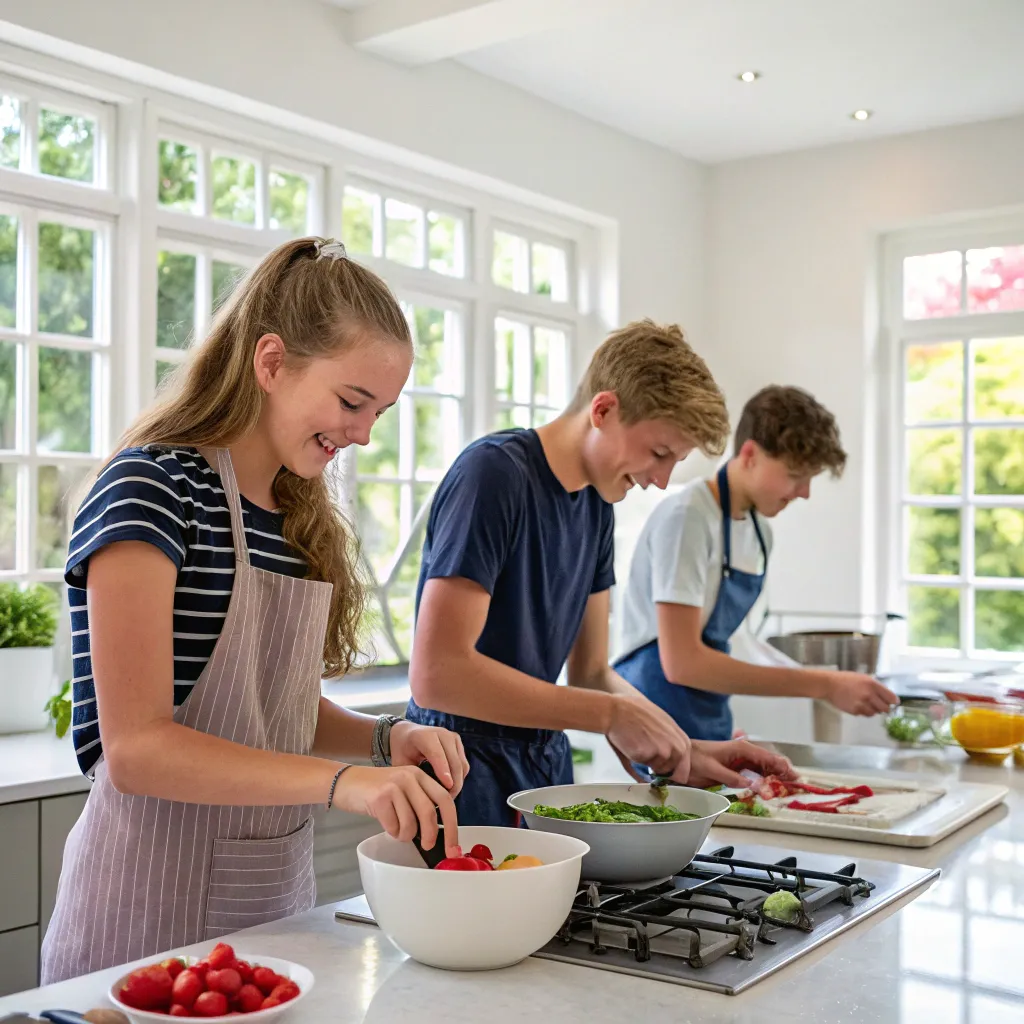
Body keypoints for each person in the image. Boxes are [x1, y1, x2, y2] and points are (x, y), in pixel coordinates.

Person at [41, 237, 468, 983]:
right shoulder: (151, 489)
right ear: (271, 363)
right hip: (141, 921)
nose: (363, 433)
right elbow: (137, 749)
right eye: (351, 401)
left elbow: (271, 712)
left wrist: (383, 741)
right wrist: (344, 784)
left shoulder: (293, 518)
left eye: (381, 411)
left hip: (271, 917)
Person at [406, 321, 795, 827]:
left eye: (674, 463)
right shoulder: (494, 476)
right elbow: (438, 675)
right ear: (604, 410)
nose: (660, 482)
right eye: (658, 454)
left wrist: (683, 748)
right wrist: (610, 715)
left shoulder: (596, 506)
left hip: (540, 767)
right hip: (454, 771)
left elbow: (590, 672)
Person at [614, 385, 898, 742]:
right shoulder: (688, 518)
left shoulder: (760, 532)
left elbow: (731, 643)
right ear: (750, 455)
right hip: (649, 723)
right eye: (796, 475)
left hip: (706, 719)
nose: (804, 492)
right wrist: (824, 685)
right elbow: (683, 662)